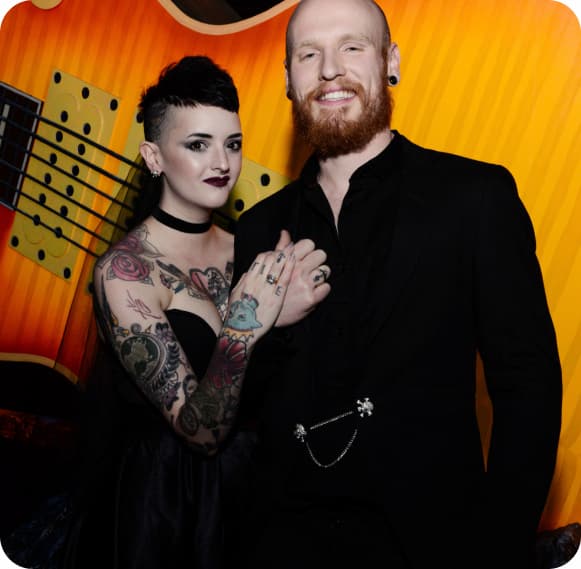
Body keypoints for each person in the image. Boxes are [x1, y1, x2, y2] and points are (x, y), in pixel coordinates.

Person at [231, 1, 563, 568]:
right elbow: (241, 414)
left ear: (392, 62)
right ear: (288, 80)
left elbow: (529, 387)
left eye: (352, 47)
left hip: (432, 547)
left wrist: (497, 549)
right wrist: (258, 326)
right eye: (308, 54)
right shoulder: (257, 228)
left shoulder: (475, 199)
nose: (329, 69)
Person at [58, 55, 300, 569]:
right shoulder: (125, 274)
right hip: (168, 509)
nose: (222, 163)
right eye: (197, 144)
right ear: (153, 156)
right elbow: (200, 431)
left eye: (232, 144)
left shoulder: (252, 248)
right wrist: (246, 327)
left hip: (258, 493)